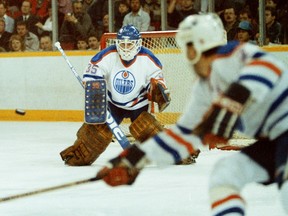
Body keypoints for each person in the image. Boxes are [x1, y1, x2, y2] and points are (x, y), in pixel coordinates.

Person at [95, 14, 288, 215]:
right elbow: (181, 135)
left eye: (186, 46)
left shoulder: (235, 54)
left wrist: (231, 102)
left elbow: (268, 67)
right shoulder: (204, 89)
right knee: (225, 175)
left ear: (196, 46)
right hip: (275, 141)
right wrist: (131, 159)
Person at [59, 25, 171, 166]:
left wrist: (156, 89)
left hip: (139, 104)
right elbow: (92, 74)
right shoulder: (108, 54)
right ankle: (80, 153)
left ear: (138, 44)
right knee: (97, 134)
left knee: (147, 130)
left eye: (129, 44)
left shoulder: (148, 59)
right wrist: (93, 84)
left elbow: (158, 83)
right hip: (113, 104)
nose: (125, 48)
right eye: (122, 44)